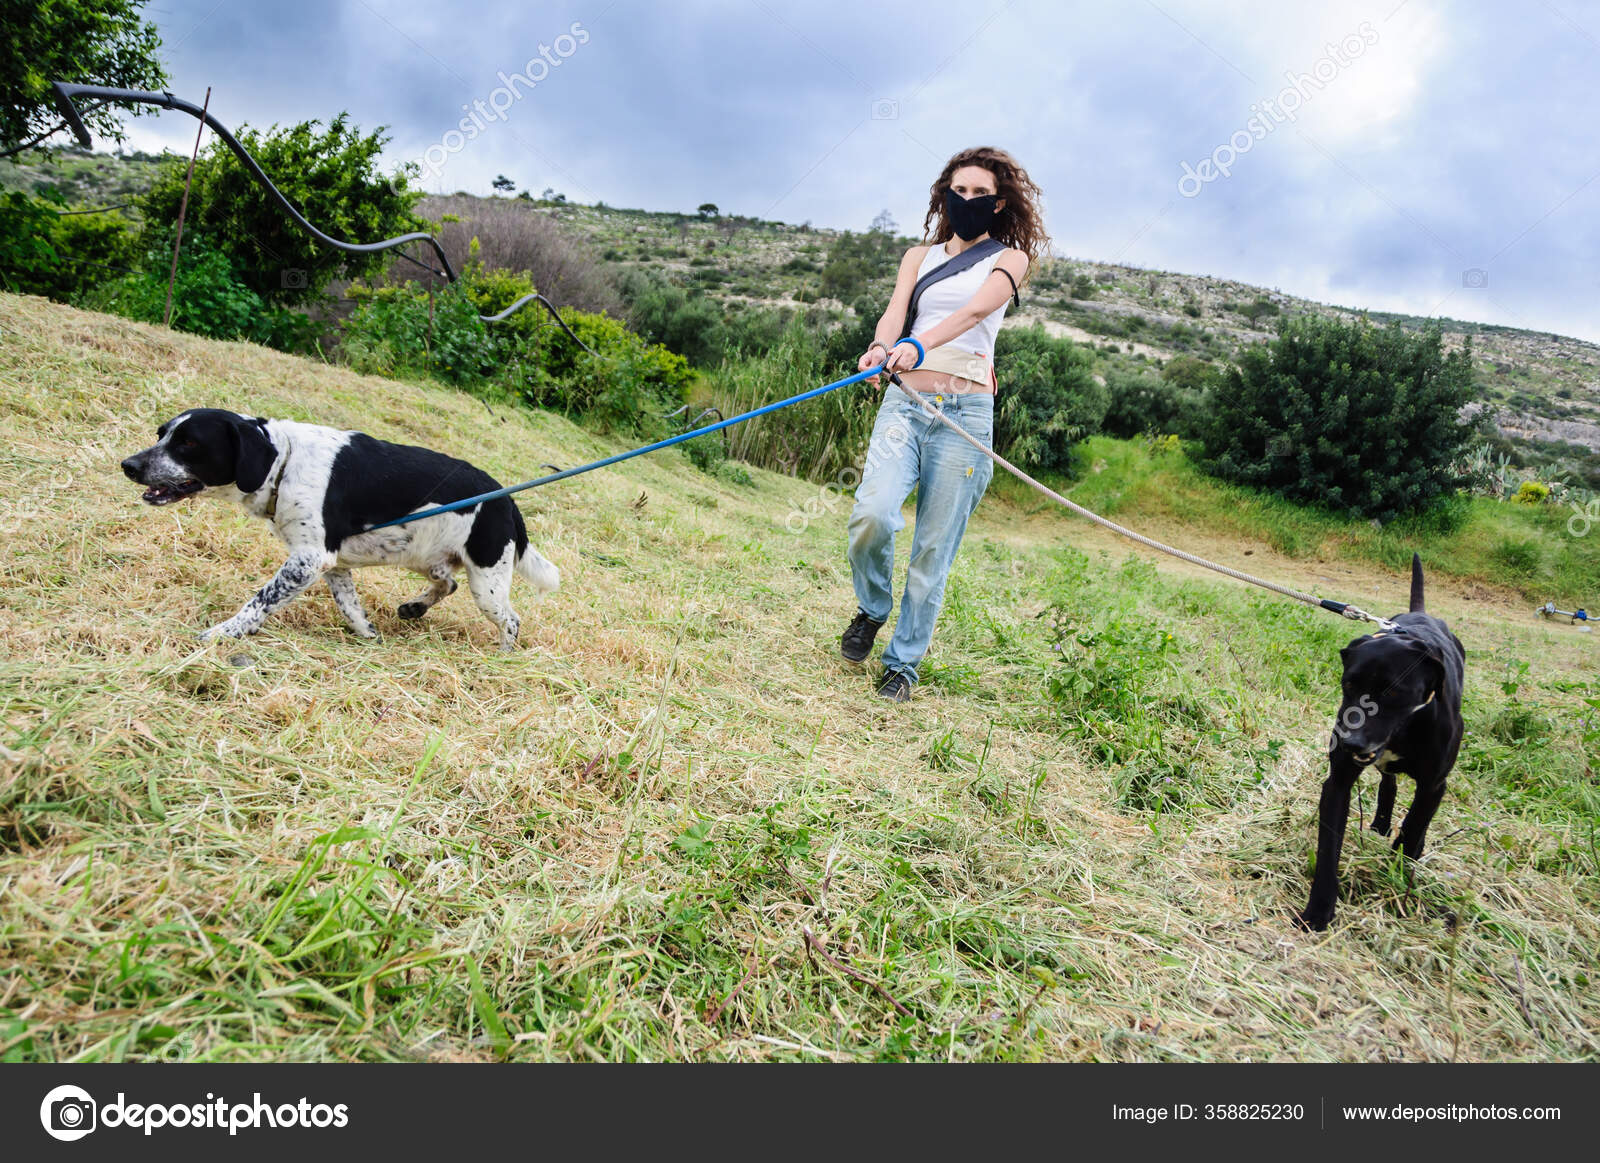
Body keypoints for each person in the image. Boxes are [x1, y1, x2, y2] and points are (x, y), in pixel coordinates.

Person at [840, 146, 1047, 702]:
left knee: (934, 549)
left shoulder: (1011, 259)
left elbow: (974, 312)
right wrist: (883, 344)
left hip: (965, 415)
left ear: (1000, 203)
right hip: (906, 404)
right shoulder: (918, 256)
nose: (970, 201)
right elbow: (895, 310)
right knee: (872, 514)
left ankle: (902, 664)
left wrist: (916, 343)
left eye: (983, 194)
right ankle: (873, 607)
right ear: (945, 194)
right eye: (962, 190)